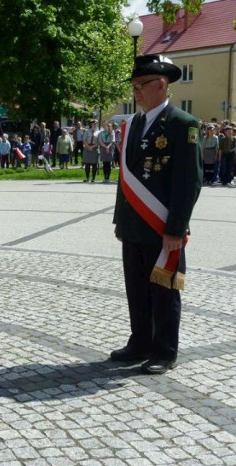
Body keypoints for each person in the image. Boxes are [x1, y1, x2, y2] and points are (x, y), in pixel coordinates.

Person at [111, 54, 202, 375]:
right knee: (135, 287)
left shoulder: (182, 124)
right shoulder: (133, 124)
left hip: (162, 225)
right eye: (134, 85)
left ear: (161, 84)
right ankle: (140, 342)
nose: (135, 91)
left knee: (164, 289)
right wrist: (120, 220)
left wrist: (176, 227)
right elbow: (127, 179)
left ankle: (164, 350)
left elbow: (188, 181)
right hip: (134, 223)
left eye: (141, 84)